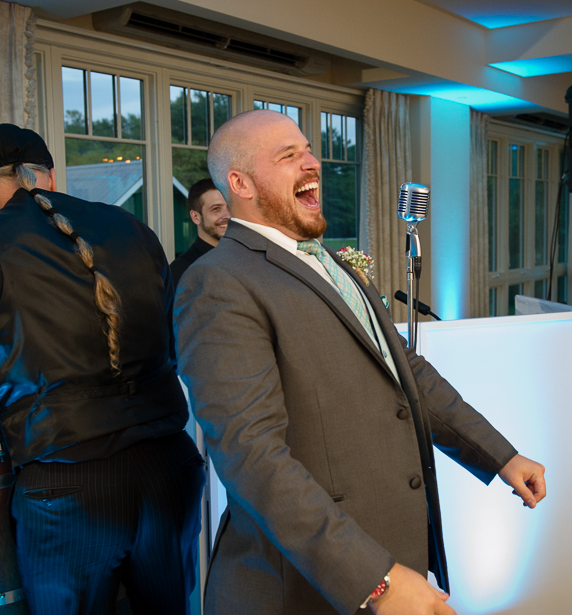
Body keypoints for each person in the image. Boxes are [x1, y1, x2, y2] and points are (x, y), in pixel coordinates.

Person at [174, 109, 547, 615]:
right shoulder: (217, 282)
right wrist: (376, 580)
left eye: (308, 149)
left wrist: (497, 454)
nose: (312, 162)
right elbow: (251, 456)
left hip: (391, 550)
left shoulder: (332, 262)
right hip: (314, 583)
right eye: (288, 156)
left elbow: (404, 374)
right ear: (240, 183)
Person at [0, 124, 205, 614]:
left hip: (68, 486)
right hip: (171, 467)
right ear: (50, 176)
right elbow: (174, 342)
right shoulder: (132, 228)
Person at [171, 178, 230, 284]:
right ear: (196, 217)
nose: (227, 216)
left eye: (230, 207)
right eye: (216, 209)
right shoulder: (182, 270)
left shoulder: (247, 259)